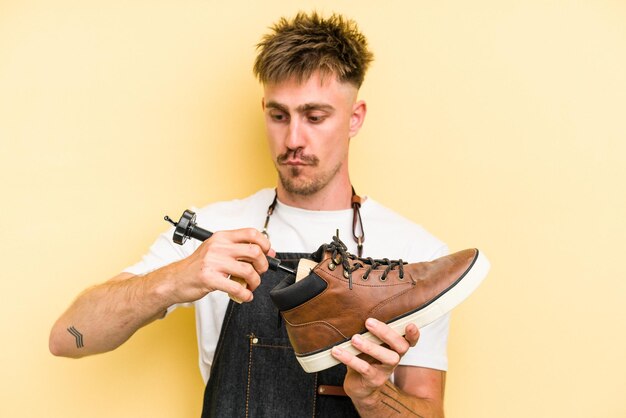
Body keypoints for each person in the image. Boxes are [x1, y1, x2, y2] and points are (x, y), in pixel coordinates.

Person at [50, 12, 450, 417]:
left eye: (315, 117)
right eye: (279, 116)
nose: (293, 139)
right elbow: (68, 337)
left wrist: (372, 396)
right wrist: (175, 278)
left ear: (355, 117)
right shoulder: (213, 233)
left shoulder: (413, 254)